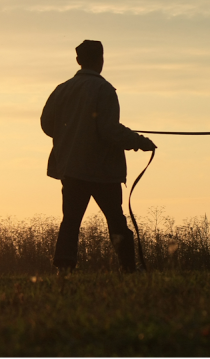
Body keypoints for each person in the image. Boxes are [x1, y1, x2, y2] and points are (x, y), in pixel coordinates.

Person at [41, 40, 156, 273]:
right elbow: (109, 130)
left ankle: (64, 269)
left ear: (78, 61)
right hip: (102, 171)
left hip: (71, 168)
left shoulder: (61, 89)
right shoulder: (104, 90)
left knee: (70, 222)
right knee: (116, 221)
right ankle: (128, 268)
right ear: (101, 60)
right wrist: (139, 142)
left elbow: (46, 125)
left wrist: (70, 133)